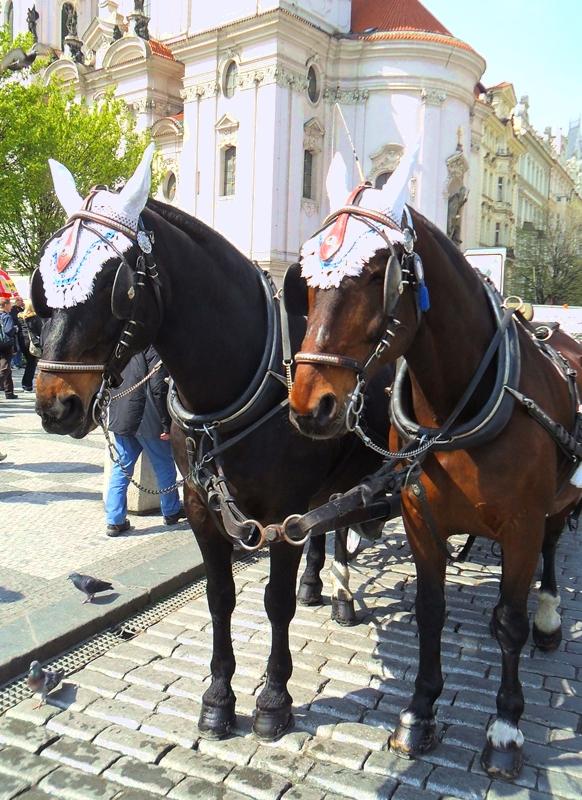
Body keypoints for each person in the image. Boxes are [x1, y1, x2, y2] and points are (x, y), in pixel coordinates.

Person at [105, 345, 185, 536]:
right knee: (164, 465)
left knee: (121, 468)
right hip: (148, 418)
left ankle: (114, 520)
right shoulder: (153, 347)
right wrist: (166, 424)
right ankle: (171, 511)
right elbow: (158, 387)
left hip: (121, 415)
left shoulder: (118, 346)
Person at [19, 300, 42, 392]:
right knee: (31, 364)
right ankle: (27, 385)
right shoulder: (34, 317)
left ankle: (26, 383)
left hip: (22, 341)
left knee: (29, 363)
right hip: (32, 342)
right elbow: (39, 331)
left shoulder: (20, 317)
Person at [0, 298, 18, 399]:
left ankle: (9, 392)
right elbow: (9, 331)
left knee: (7, 369)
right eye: (10, 304)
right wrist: (15, 328)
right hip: (6, 345)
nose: (11, 306)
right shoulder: (7, 317)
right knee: (5, 368)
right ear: (5, 305)